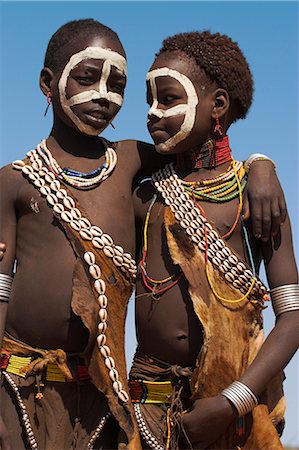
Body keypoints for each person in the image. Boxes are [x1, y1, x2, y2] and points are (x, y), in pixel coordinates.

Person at [0, 19, 286, 450]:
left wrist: (263, 165)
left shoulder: (134, 163)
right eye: (87, 77)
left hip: (110, 401)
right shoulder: (18, 181)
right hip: (29, 391)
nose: (104, 96)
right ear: (47, 82)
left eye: (118, 84)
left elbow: (202, 150)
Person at [129, 31, 299, 449]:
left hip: (233, 413)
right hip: (146, 407)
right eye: (148, 100)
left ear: (218, 105)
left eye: (168, 99)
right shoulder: (143, 195)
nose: (152, 112)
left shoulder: (255, 196)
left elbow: (292, 318)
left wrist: (229, 403)